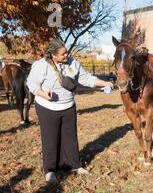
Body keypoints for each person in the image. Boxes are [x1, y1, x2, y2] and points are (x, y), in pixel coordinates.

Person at [27, 39, 113, 183]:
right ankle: (50, 170)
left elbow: (86, 78)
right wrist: (43, 94)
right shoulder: (42, 65)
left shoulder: (72, 63)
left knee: (70, 137)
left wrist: (104, 83)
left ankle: (74, 165)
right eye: (63, 54)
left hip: (68, 106)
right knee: (50, 138)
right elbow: (31, 83)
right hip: (47, 107)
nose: (66, 55)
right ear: (53, 55)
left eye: (66, 52)